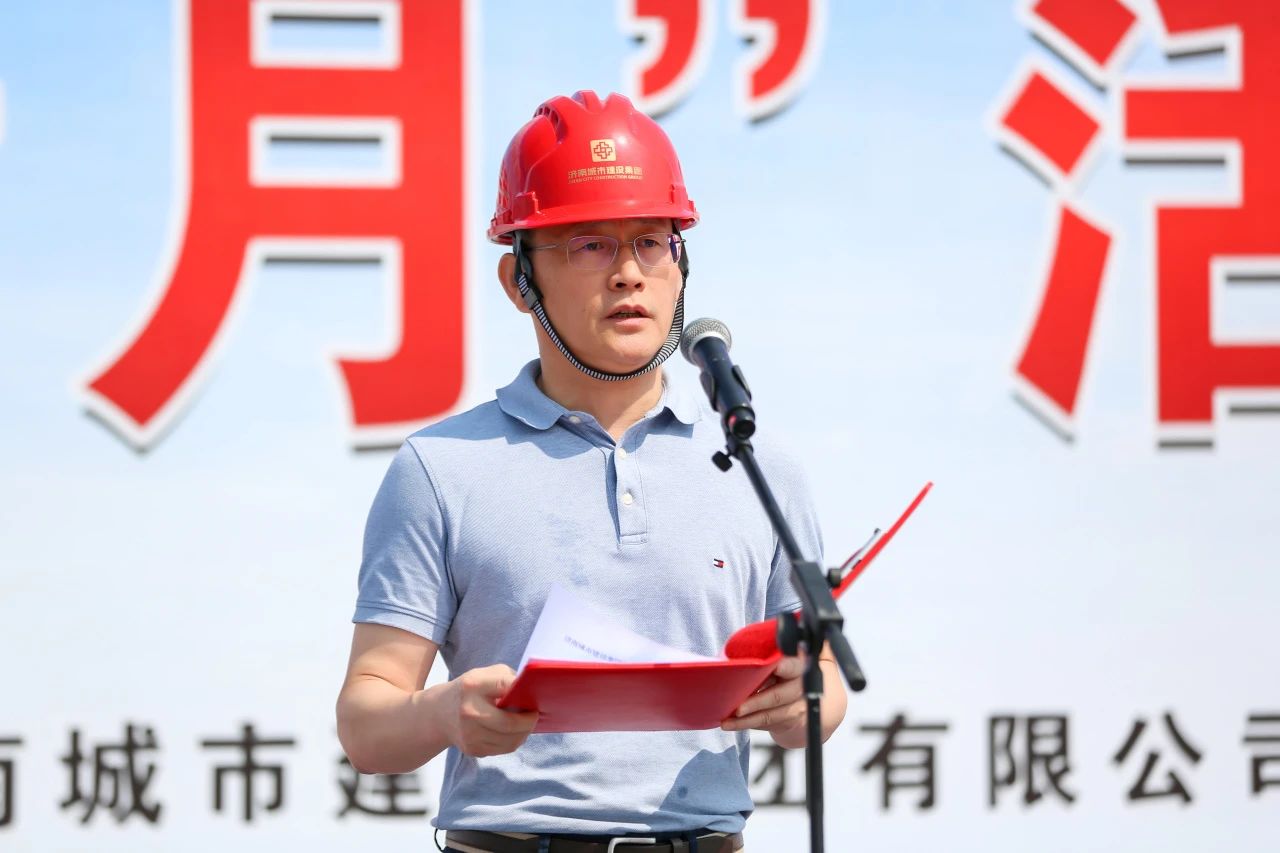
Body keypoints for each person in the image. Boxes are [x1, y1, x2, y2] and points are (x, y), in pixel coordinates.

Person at [336, 90, 847, 853]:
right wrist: (444, 713)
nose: (629, 274)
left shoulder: (757, 461)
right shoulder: (441, 468)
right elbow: (366, 722)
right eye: (590, 246)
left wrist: (803, 701)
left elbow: (824, 680)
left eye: (652, 242)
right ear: (519, 282)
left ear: (681, 264)